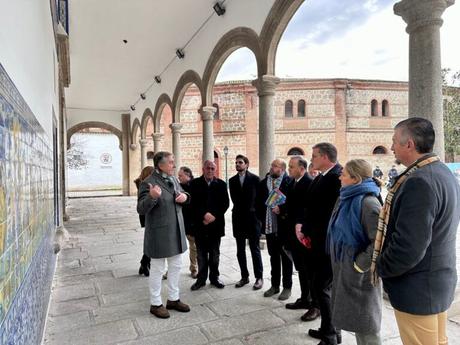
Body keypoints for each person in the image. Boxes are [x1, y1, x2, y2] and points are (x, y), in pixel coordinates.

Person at [373, 118, 460, 345]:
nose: (391, 148)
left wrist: (381, 267)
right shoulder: (442, 172)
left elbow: (408, 247)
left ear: (409, 144)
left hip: (418, 289)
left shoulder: (418, 181)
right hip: (436, 282)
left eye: (394, 142)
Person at [327, 159, 383, 345]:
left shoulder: (369, 203)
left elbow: (379, 242)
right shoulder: (345, 197)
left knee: (367, 328)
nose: (340, 177)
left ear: (356, 179)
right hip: (345, 271)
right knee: (359, 326)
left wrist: (359, 265)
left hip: (361, 276)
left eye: (343, 174)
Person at [296, 142, 342, 345]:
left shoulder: (337, 177)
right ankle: (328, 329)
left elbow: (329, 213)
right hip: (315, 241)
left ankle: (331, 335)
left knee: (323, 288)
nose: (311, 159)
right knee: (320, 287)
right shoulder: (323, 176)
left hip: (326, 244)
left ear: (324, 157)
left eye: (314, 156)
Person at [137, 151, 190, 319]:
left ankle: (173, 299)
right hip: (159, 233)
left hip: (176, 230)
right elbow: (141, 209)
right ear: (160, 165)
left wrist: (185, 197)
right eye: (171, 163)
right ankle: (156, 303)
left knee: (176, 265)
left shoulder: (173, 179)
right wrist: (152, 197)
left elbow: (183, 194)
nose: (174, 165)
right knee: (158, 268)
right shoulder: (148, 183)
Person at [283, 156, 317, 322]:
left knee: (308, 270)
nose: (289, 169)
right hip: (292, 233)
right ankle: (304, 298)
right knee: (301, 269)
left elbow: (308, 209)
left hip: (303, 234)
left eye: (291, 167)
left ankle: (312, 303)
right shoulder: (292, 182)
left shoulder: (309, 183)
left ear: (302, 168)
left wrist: (302, 227)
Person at [189, 160, 229, 290]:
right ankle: (201, 280)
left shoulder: (221, 184)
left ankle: (214, 278)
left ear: (215, 170)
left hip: (215, 225)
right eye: (208, 168)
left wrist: (213, 216)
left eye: (212, 168)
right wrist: (204, 215)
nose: (210, 170)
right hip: (200, 225)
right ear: (203, 169)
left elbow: (225, 203)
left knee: (214, 254)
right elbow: (192, 204)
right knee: (201, 255)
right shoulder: (194, 184)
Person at [256, 159, 293, 301]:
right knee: (273, 257)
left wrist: (281, 210)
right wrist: (262, 219)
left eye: (275, 166)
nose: (272, 168)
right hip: (269, 227)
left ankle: (287, 287)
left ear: (282, 169)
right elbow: (258, 202)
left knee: (286, 258)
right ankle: (275, 285)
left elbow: (292, 202)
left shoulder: (289, 182)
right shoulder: (263, 183)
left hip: (284, 226)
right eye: (271, 165)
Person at [229, 154, 264, 290]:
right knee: (240, 250)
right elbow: (235, 200)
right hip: (238, 219)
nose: (238, 164)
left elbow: (260, 199)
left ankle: (259, 277)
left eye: (240, 162)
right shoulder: (232, 181)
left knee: (255, 249)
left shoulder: (255, 179)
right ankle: (244, 276)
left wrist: (258, 217)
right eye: (236, 162)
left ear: (247, 164)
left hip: (252, 219)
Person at [134, 165, 154, 277]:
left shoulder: (140, 183)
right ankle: (145, 263)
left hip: (145, 215)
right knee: (151, 241)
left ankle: (144, 264)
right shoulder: (144, 185)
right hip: (147, 214)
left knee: (150, 240)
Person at [178, 166, 197, 279]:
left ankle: (194, 268)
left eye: (181, 175)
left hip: (191, 221)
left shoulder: (195, 186)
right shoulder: (178, 186)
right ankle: (171, 270)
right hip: (180, 221)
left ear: (188, 175)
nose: (179, 177)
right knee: (174, 247)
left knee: (193, 246)